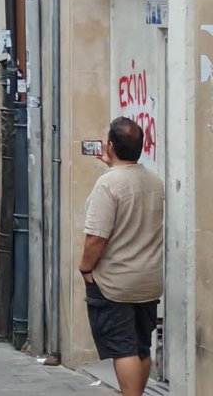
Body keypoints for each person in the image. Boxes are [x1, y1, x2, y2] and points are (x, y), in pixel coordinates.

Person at [79, 117, 164, 396]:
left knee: (122, 347)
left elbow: (96, 238)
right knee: (141, 345)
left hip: (116, 283)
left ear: (111, 145)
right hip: (148, 280)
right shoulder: (154, 181)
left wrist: (85, 268)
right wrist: (113, 163)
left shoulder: (107, 185)